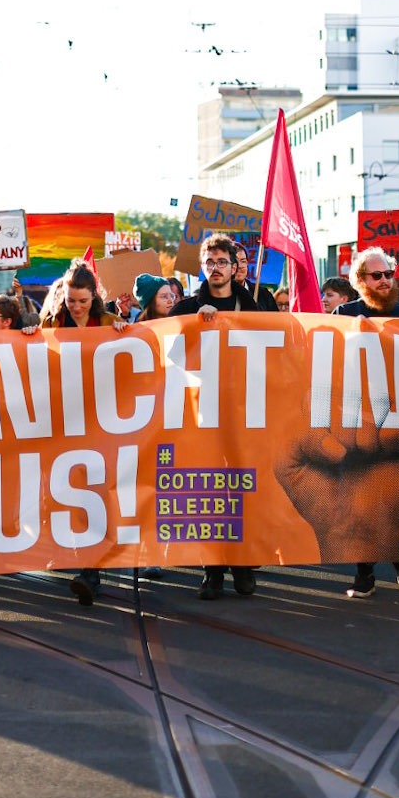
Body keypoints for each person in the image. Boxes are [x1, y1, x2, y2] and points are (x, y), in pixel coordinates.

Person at [172, 234, 263, 598]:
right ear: (202, 267)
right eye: (209, 263)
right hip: (202, 415)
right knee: (208, 489)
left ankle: (242, 565)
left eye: (222, 262)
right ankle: (212, 570)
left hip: (246, 412)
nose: (215, 269)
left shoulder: (254, 307)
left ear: (234, 266)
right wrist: (197, 327)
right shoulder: (185, 308)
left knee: (243, 489)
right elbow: (166, 353)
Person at [335, 247, 399, 599]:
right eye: (377, 276)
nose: (385, 281)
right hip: (358, 420)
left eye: (388, 274)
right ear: (360, 281)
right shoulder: (345, 314)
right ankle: (365, 571)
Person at [40, 262, 119, 606]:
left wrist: (126, 332)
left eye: (83, 301)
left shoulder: (108, 323)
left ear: (95, 298)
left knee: (96, 491)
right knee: (70, 489)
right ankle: (85, 564)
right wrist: (29, 336)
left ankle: (91, 571)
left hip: (102, 421)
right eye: (71, 300)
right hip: (65, 421)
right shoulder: (54, 323)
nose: (76, 307)